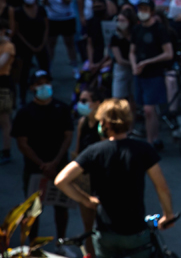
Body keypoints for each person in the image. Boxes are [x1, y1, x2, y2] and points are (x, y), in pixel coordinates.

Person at [55, 98, 176, 258]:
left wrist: (86, 200)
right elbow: (162, 187)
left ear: (106, 124)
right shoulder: (143, 149)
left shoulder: (94, 151)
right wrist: (168, 215)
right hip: (135, 231)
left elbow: (61, 180)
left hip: (106, 233)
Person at [11, 70, 73, 246]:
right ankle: (33, 247)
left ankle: (61, 244)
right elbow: (22, 143)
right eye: (39, 83)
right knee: (33, 212)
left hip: (60, 169)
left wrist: (54, 163)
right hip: (34, 171)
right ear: (32, 88)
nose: (44, 86)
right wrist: (42, 164)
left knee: (62, 207)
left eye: (46, 82)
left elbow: (68, 136)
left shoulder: (62, 108)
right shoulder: (24, 113)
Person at [129, 0, 173, 148]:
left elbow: (168, 53)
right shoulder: (137, 29)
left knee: (149, 108)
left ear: (152, 11)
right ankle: (153, 137)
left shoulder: (159, 29)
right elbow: (132, 51)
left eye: (145, 9)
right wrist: (135, 65)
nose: (142, 12)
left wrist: (147, 62)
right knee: (145, 108)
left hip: (154, 74)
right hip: (139, 74)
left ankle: (151, 141)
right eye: (140, 9)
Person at [70, 87, 104, 258]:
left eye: (85, 101)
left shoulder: (103, 125)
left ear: (97, 103)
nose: (80, 104)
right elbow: (77, 152)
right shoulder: (83, 123)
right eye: (80, 100)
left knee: (104, 224)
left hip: (101, 181)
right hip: (85, 181)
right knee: (88, 226)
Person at [40, 0, 78, 77]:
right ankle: (48, 68)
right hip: (52, 18)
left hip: (67, 18)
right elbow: (43, 1)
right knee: (51, 44)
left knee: (70, 43)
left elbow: (68, 1)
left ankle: (75, 68)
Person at [0, 19, 15, 165]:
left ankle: (6, 150)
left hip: (3, 85)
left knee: (4, 119)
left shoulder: (8, 46)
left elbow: (1, 64)